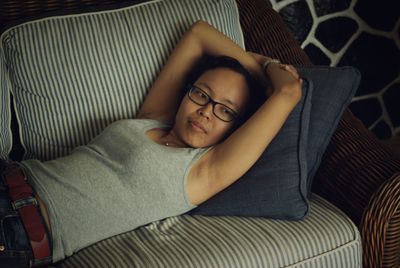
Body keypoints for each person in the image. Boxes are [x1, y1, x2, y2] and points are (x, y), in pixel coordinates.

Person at [0, 20, 302, 267]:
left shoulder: (204, 171)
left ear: (237, 126)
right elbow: (198, 34)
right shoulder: (154, 118)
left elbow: (288, 92)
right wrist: (260, 62)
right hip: (13, 174)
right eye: (201, 94)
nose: (205, 112)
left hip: (17, 230)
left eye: (225, 110)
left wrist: (266, 74)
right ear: (187, 92)